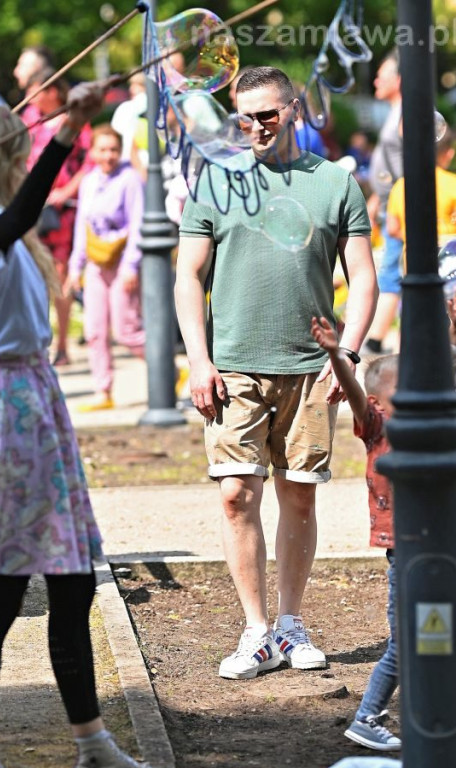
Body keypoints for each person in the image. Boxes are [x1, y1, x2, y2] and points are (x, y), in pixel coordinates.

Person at [0, 85, 144, 768]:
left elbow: (17, 217)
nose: (23, 164)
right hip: (7, 409)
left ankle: (93, 743)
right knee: (0, 592)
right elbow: (21, 212)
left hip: (26, 400)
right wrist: (70, 130)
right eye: (17, 154)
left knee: (73, 582)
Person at [174, 66, 378, 681]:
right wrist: (199, 359)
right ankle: (256, 632)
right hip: (233, 367)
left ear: (294, 110)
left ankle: (291, 625)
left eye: (268, 114)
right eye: (245, 117)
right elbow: (188, 276)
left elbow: (363, 279)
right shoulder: (215, 181)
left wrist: (348, 355)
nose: (256, 126)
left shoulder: (335, 182)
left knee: (299, 495)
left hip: (310, 369)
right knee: (236, 494)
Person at [308, 320, 402, 751]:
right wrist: (335, 353)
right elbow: (355, 393)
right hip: (406, 550)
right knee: (404, 643)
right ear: (379, 401)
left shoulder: (431, 422)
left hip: (439, 543)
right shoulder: (378, 426)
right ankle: (367, 717)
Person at [65, 125, 145, 411]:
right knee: (95, 332)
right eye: (102, 149)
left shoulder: (130, 179)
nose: (108, 155)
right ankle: (103, 391)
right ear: (93, 152)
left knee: (126, 331)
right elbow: (81, 227)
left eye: (113, 149)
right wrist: (75, 267)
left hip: (121, 263)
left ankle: (167, 369)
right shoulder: (88, 181)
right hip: (96, 265)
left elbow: (138, 223)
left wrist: (131, 266)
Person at [23, 68, 93, 367]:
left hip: (62, 211)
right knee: (34, 276)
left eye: (35, 90)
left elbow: (89, 163)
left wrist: (66, 192)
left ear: (52, 91)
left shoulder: (74, 121)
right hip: (33, 208)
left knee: (60, 276)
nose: (29, 97)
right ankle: (42, 343)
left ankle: (63, 344)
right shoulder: (31, 119)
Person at [363, 51, 404, 356]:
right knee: (392, 268)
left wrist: (397, 210)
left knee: (393, 269)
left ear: (399, 80)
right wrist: (376, 199)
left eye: (382, 74)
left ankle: (377, 341)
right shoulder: (395, 112)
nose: (376, 80)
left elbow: (413, 170)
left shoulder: (407, 114)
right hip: (392, 205)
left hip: (401, 210)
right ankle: (377, 339)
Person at [386, 127, 456, 261]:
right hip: (449, 259)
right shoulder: (452, 183)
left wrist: (418, 239)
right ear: (449, 153)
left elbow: (392, 228)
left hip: (413, 259)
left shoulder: (401, 185)